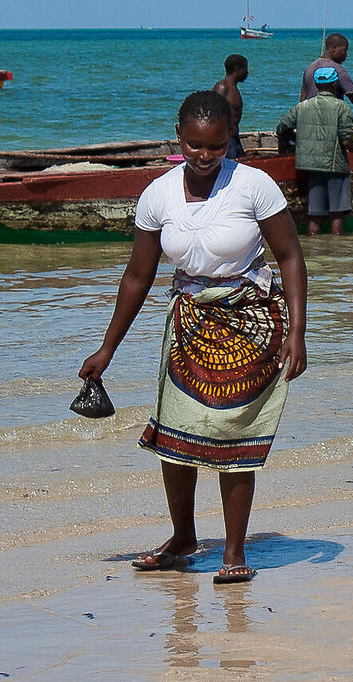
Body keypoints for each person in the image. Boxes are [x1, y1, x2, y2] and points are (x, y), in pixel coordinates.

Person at [78, 90, 308, 585]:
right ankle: (184, 537)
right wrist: (107, 347)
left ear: (230, 141)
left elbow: (290, 257)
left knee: (234, 436)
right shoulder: (157, 195)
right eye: (196, 146)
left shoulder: (254, 186)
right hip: (188, 321)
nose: (205, 157)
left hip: (252, 321)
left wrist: (298, 332)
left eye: (217, 147)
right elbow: (137, 276)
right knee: (174, 436)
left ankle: (233, 551)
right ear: (179, 137)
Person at [277, 83, 353, 236]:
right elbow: (346, 140)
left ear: (315, 85)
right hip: (335, 165)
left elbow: (282, 126)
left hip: (311, 167)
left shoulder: (302, 107)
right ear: (334, 85)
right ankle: (338, 253)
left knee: (315, 216)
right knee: (336, 214)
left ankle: (313, 251)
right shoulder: (341, 107)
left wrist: (294, 139)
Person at [214, 54, 249, 159]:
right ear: (237, 69)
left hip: (234, 138)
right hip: (225, 140)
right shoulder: (223, 87)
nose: (247, 72)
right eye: (245, 69)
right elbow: (212, 112)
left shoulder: (234, 88)